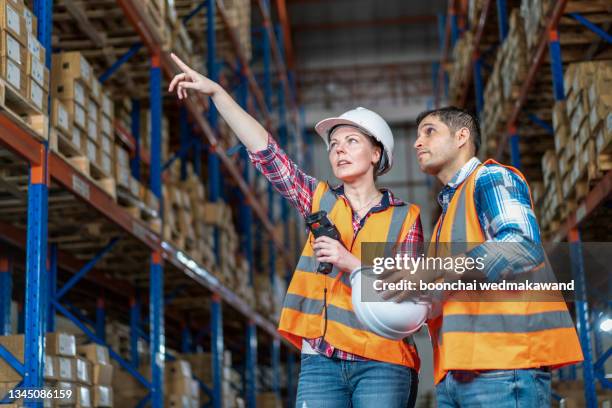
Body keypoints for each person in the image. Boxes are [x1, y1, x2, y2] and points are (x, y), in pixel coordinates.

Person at [168, 53, 423, 408]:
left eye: (351, 141)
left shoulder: (405, 217)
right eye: (333, 144)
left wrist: (350, 262)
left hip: (382, 360)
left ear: (376, 153)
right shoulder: (318, 199)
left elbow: (409, 292)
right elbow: (266, 153)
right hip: (321, 359)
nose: (338, 150)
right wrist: (218, 95)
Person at [408, 106, 584, 407]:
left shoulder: (490, 178)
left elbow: (522, 244)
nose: (417, 143)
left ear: (462, 136)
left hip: (503, 367)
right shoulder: (445, 218)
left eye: (429, 131)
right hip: (457, 372)